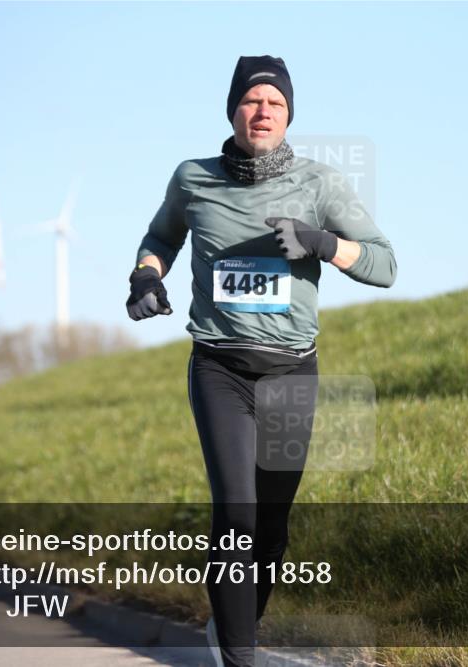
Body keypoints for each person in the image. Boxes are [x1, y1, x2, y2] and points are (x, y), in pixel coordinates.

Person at [126, 56, 396, 667]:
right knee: (238, 516)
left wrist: (324, 244)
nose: (263, 110)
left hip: (291, 371)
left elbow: (385, 264)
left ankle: (234, 626)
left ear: (289, 114)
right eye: (252, 100)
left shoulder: (320, 183)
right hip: (219, 367)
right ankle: (240, 658)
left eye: (275, 102)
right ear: (233, 111)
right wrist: (145, 277)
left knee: (271, 528)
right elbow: (161, 237)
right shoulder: (193, 177)